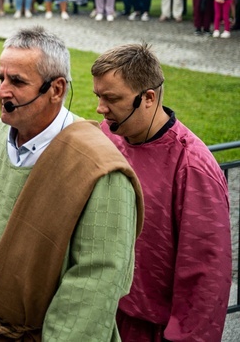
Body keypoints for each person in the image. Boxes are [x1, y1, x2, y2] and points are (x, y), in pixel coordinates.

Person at [0, 26, 142, 341]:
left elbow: (93, 288)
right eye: (1, 77)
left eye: (16, 81)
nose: (3, 90)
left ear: (56, 89)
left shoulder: (100, 170)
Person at [91, 43, 231, 342]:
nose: (100, 108)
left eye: (111, 98)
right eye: (98, 96)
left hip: (152, 329)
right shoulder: (107, 135)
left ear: (148, 98)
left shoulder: (193, 168)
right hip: (102, 316)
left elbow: (206, 280)